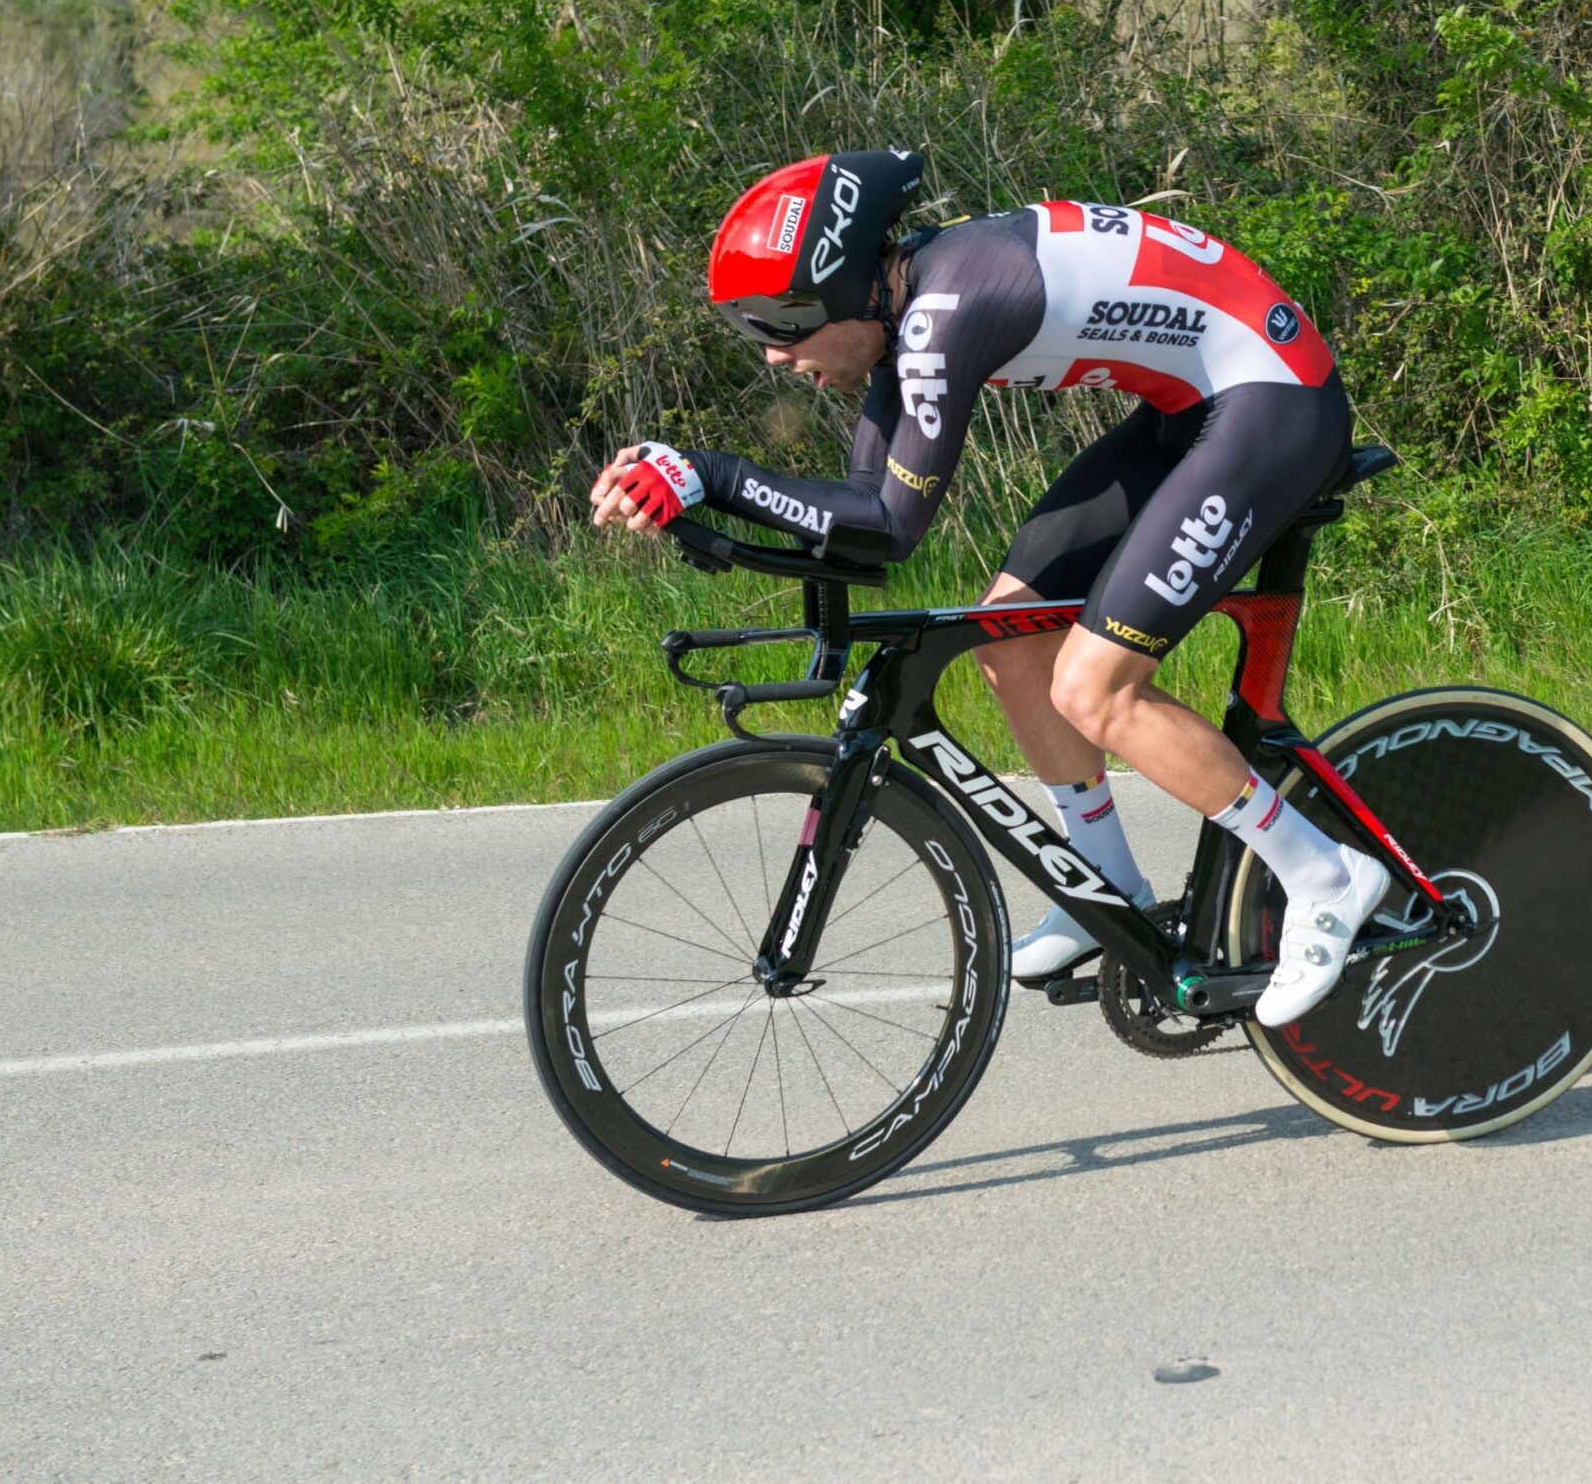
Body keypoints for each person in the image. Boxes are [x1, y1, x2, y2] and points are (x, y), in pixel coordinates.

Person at [590, 150, 1388, 1027]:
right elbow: (861, 516)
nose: (775, 354)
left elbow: (893, 526)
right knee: (1009, 638)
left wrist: (711, 474)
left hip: (1273, 401)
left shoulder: (942, 314)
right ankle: (1108, 880)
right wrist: (691, 486)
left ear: (848, 290)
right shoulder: (902, 310)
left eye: (780, 321)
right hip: (1191, 408)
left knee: (1095, 687)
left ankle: (1326, 874)